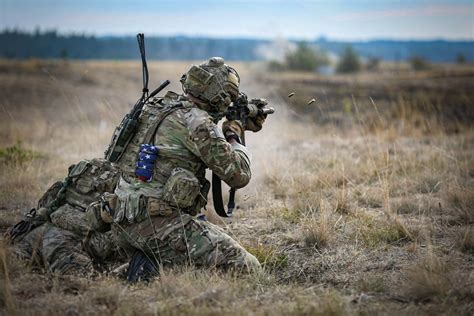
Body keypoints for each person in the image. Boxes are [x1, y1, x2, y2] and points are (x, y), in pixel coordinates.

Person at [89, 57, 266, 280]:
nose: (229, 102)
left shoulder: (155, 108)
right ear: (218, 95)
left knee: (183, 257)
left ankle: (145, 265)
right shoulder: (197, 123)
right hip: (157, 225)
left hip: (121, 219)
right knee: (250, 268)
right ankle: (143, 270)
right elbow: (239, 175)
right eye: (229, 96)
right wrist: (233, 131)